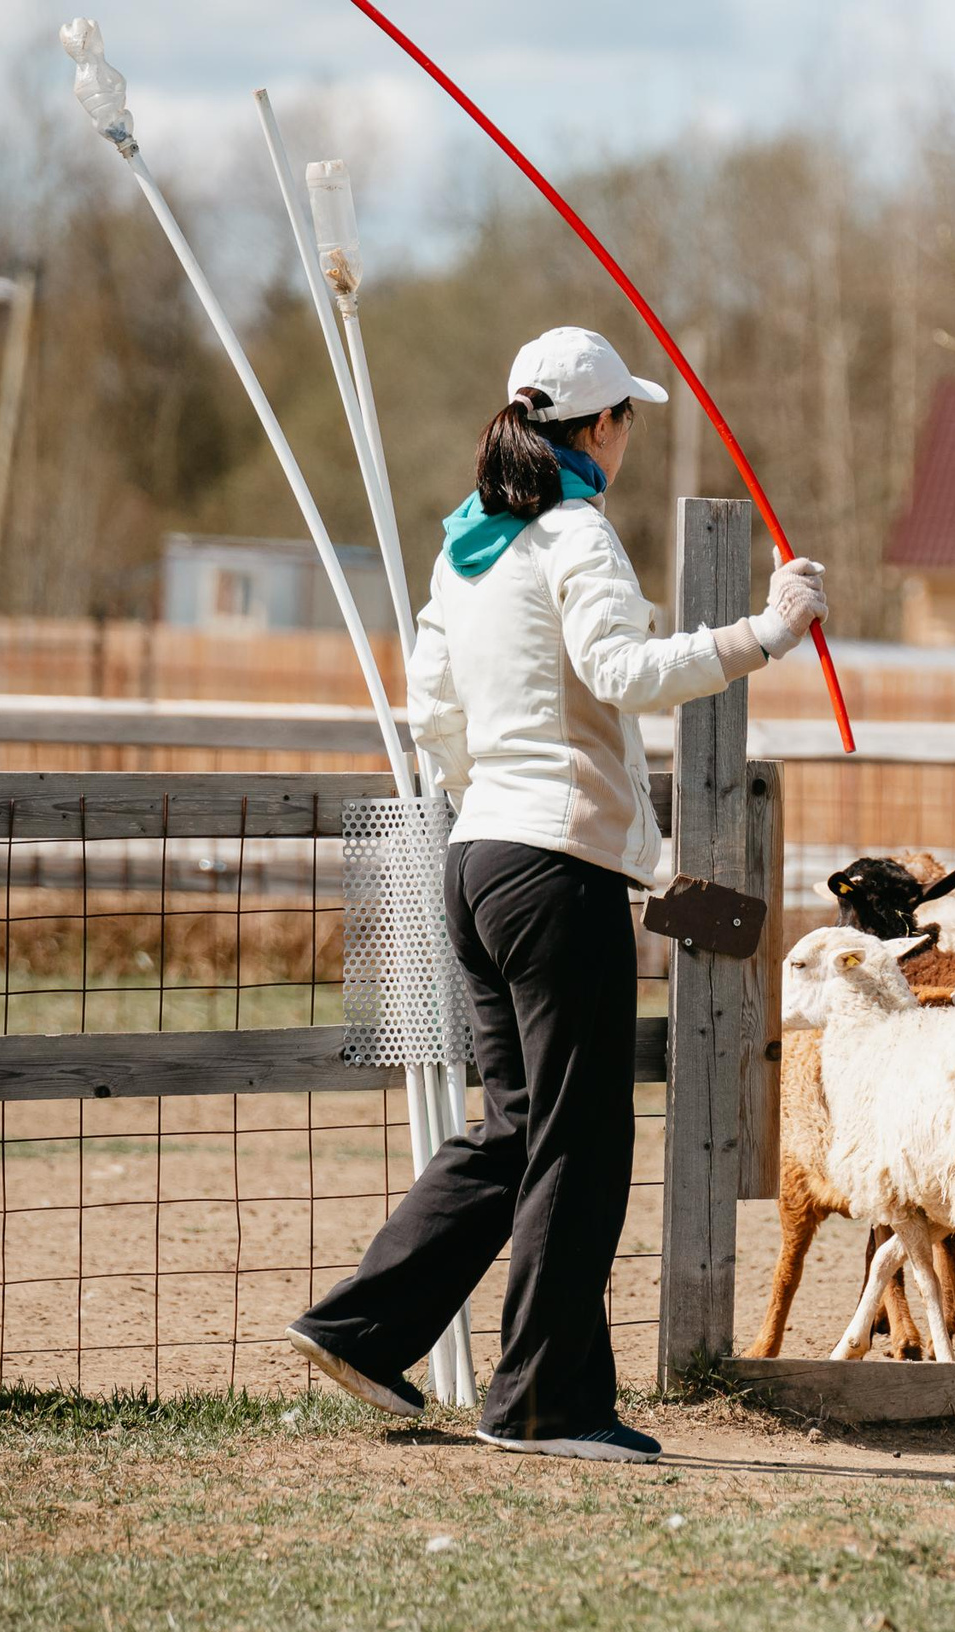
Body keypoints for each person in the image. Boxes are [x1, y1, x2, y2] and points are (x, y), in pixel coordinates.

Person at [288, 326, 827, 1462]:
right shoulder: (577, 532)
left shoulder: (467, 547)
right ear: (596, 428)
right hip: (553, 868)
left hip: (475, 862)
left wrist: (488, 800)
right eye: (625, 415)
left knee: (519, 1127)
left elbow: (432, 709)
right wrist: (766, 632)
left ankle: (360, 1329)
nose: (628, 433)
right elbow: (623, 673)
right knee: (579, 1142)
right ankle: (543, 1403)